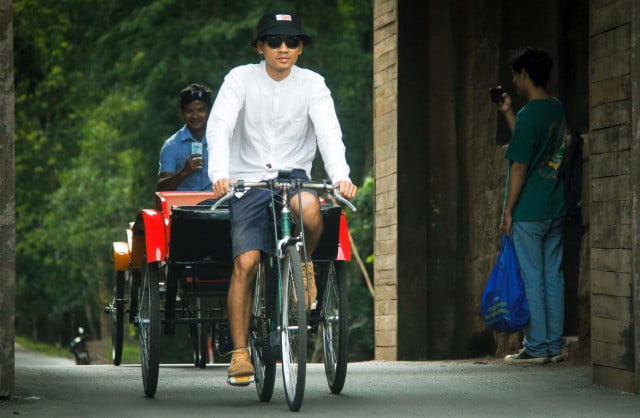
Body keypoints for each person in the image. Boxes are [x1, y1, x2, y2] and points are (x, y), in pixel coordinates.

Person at [206, 10, 358, 385]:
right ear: (261, 47)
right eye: (274, 41)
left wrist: (341, 176)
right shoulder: (239, 79)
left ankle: (302, 262)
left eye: (292, 41)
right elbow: (220, 124)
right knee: (247, 261)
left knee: (310, 208)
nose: (283, 48)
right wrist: (220, 173)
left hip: (294, 180)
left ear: (301, 47)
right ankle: (240, 353)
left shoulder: (313, 85)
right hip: (249, 182)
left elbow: (328, 131)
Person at [495, 47, 567, 364]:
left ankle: (536, 346)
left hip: (529, 212)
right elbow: (533, 143)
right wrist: (508, 112)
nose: (514, 82)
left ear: (525, 74)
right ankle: (553, 344)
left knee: (534, 277)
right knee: (553, 275)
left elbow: (520, 167)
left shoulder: (530, 115)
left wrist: (508, 212)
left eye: (515, 76)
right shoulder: (556, 110)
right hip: (555, 206)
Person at [158, 83, 214, 191]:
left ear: (209, 111)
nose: (195, 116)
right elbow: (161, 190)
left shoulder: (221, 141)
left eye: (201, 110)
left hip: (216, 206)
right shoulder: (171, 146)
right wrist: (184, 172)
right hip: (183, 207)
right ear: (182, 112)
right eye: (189, 111)